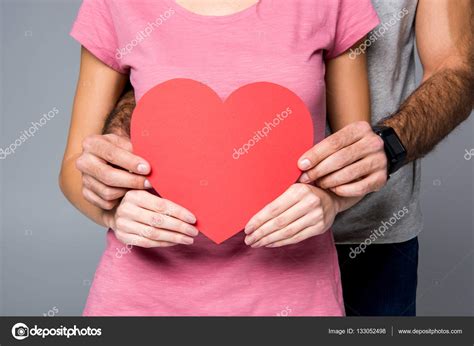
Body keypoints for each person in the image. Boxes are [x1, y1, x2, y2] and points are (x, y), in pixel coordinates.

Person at [74, 0, 473, 316]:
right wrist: (116, 199)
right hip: (146, 290)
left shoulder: (330, 7)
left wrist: (341, 190)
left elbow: (455, 68)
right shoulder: (118, 7)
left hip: (332, 254)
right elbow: (85, 156)